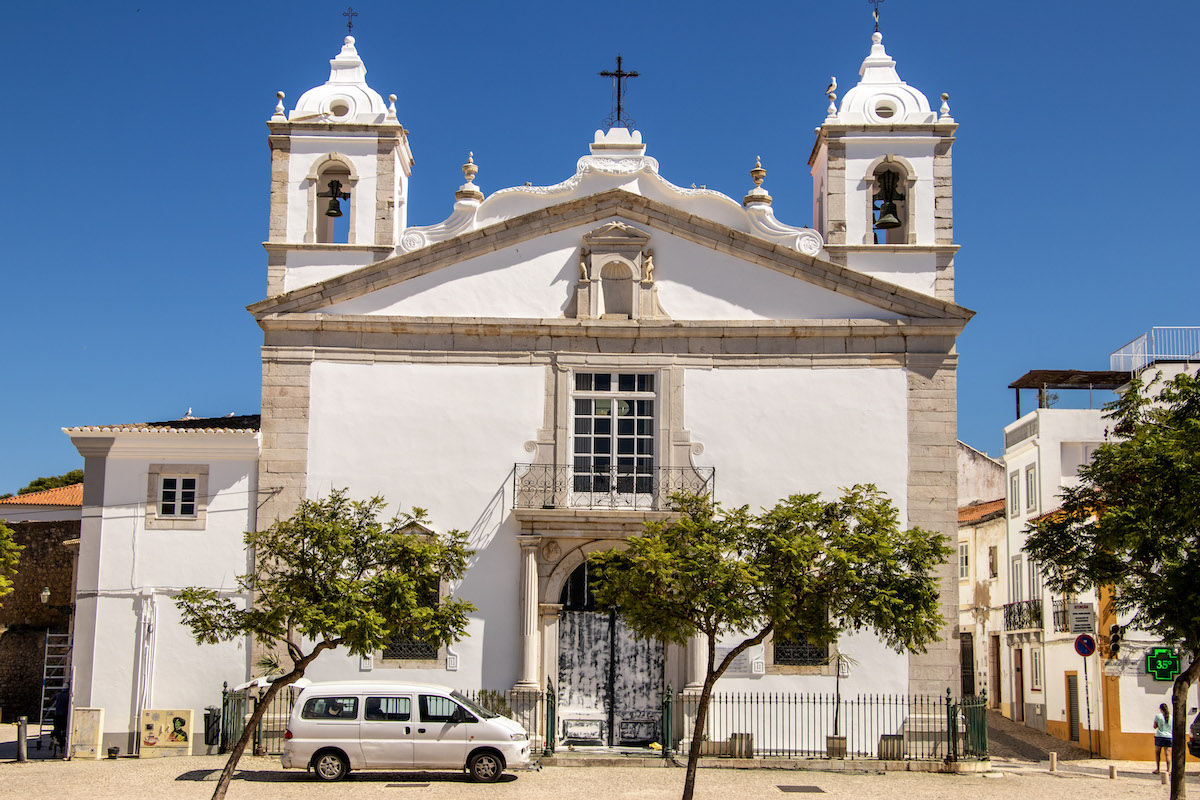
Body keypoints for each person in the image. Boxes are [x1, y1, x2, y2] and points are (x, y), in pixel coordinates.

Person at [1153, 702, 1171, 773]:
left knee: (1157, 753)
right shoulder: (1171, 717)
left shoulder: (1158, 716)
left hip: (1160, 736)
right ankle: (1169, 770)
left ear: (1160, 709)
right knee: (1168, 754)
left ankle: (1158, 768)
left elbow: (1155, 726)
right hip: (1169, 737)